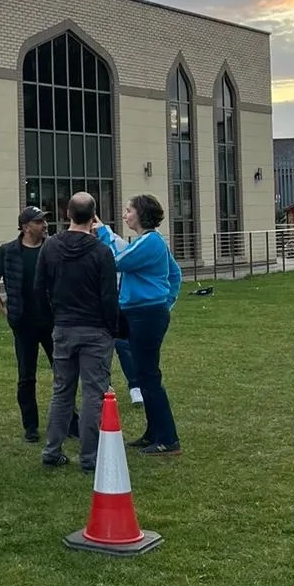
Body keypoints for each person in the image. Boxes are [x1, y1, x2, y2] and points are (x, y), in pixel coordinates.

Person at [34, 192, 118, 473]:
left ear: (67, 214)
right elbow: (109, 296)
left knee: (62, 391)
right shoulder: (101, 252)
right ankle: (90, 456)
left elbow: (39, 288)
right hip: (95, 329)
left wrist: (52, 319)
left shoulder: (50, 247)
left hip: (64, 327)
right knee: (94, 393)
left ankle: (52, 449)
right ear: (94, 217)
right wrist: (112, 327)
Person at [97, 194, 182, 457]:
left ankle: (168, 439)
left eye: (128, 210)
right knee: (145, 376)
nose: (125, 214)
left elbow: (118, 259)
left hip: (146, 316)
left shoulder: (151, 242)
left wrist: (102, 231)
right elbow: (175, 274)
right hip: (143, 314)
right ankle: (154, 432)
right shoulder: (148, 242)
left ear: (141, 214)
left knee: (149, 376)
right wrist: (164, 303)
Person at [0, 207, 62, 443]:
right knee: (26, 376)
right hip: (23, 323)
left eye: (44, 221)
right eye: (39, 222)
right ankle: (31, 427)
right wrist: (2, 307)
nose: (45, 225)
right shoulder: (9, 251)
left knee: (62, 372)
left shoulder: (52, 248)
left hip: (52, 321)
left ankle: (69, 421)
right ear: (26, 227)